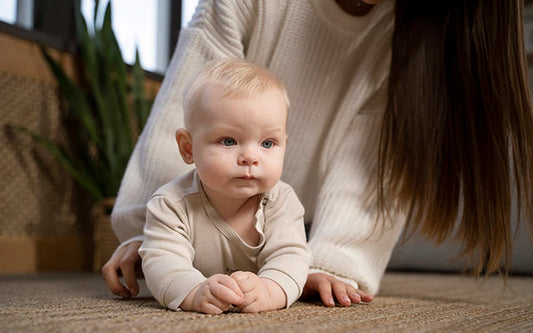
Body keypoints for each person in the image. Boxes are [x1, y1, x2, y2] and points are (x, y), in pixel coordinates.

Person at [102, 0, 533, 307]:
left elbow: (369, 167)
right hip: (198, 208)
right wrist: (147, 231)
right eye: (233, 143)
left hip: (276, 220)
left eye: (269, 143)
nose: (250, 156)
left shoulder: (423, 37)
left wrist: (333, 261)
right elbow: (187, 102)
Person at [138, 58, 311, 314]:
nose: (250, 157)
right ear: (188, 148)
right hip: (199, 284)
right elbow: (162, 261)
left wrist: (270, 289)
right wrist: (194, 292)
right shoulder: (170, 204)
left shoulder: (281, 200)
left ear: (284, 144)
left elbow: (292, 256)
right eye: (228, 141)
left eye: (267, 143)